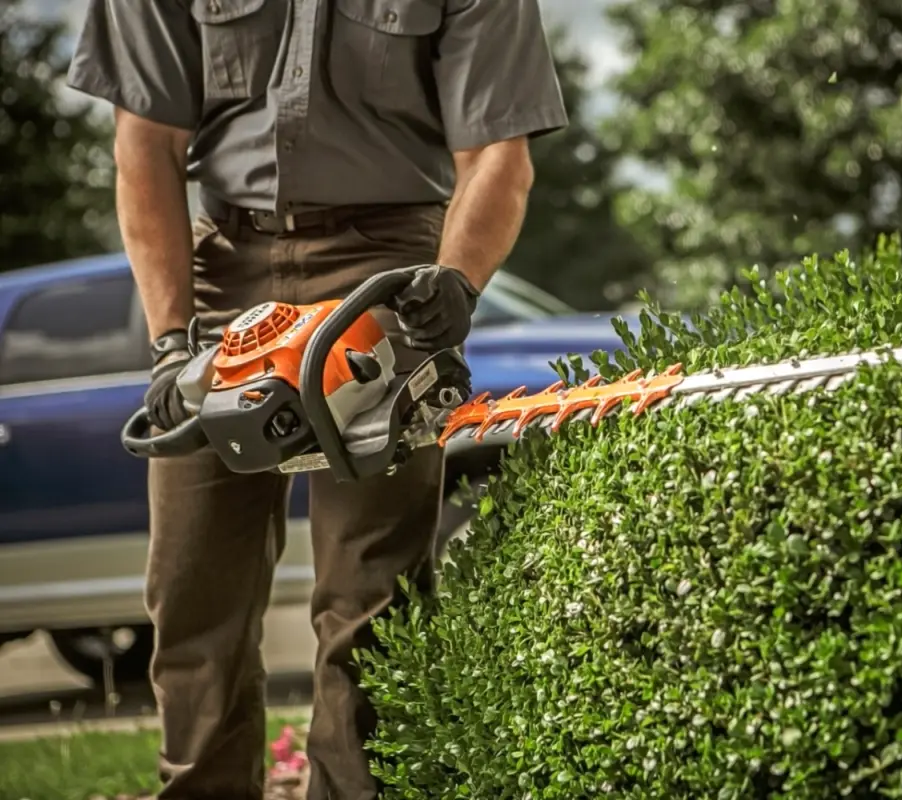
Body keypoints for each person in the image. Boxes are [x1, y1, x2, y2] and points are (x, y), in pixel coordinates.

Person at [66, 1, 568, 798]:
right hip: (223, 273)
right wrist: (171, 343)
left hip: (385, 272)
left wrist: (456, 281)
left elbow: (498, 157)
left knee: (371, 594)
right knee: (194, 595)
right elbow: (145, 147)